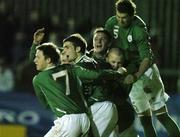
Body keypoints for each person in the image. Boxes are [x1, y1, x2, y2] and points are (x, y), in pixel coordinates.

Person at [105, 0, 180, 137]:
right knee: (144, 120)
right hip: (131, 75)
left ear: (132, 16)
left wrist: (136, 75)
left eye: (124, 17)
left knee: (161, 115)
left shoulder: (138, 29)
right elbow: (107, 44)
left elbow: (146, 58)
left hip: (146, 73)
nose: (120, 20)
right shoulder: (111, 23)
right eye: (118, 17)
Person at [61, 33, 119, 137]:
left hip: (99, 108)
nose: (64, 51)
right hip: (103, 108)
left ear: (78, 49)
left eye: (67, 47)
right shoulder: (87, 61)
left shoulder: (83, 65)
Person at [32, 43, 90, 137]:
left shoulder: (39, 78)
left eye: (38, 57)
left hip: (68, 122)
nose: (35, 60)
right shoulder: (69, 68)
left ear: (48, 60)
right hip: (85, 119)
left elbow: (45, 105)